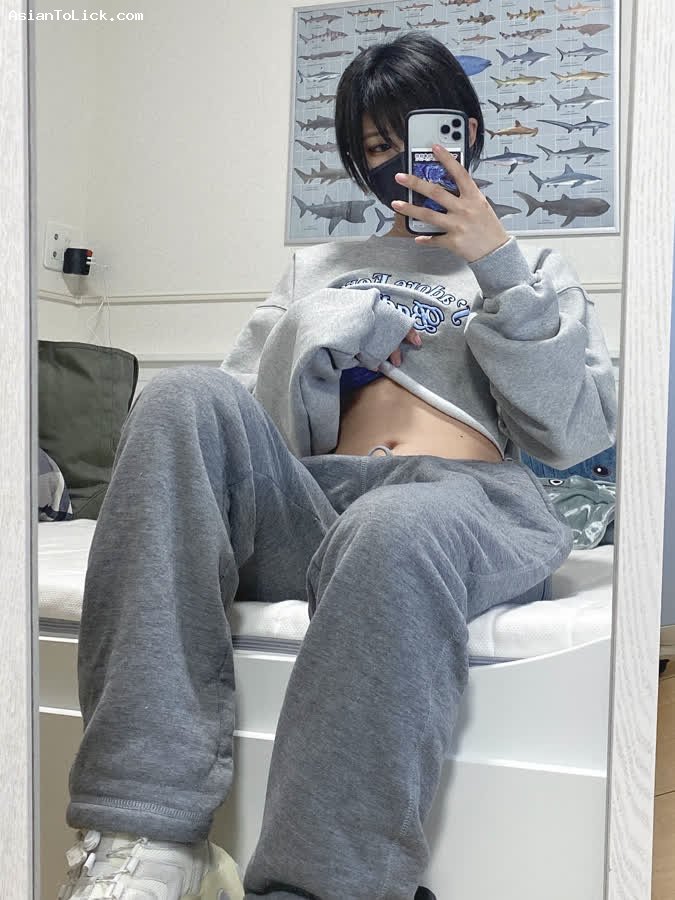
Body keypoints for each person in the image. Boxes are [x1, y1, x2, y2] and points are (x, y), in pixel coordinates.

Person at [57, 32, 617, 900]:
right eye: (374, 147)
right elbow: (240, 429)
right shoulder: (314, 272)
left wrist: (495, 264)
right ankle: (147, 838)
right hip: (313, 507)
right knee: (179, 397)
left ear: (464, 134)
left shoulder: (533, 266)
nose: (395, 163)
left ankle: (321, 887)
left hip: (455, 507)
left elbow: (573, 432)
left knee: (391, 527)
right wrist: (320, 342)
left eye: (413, 137)